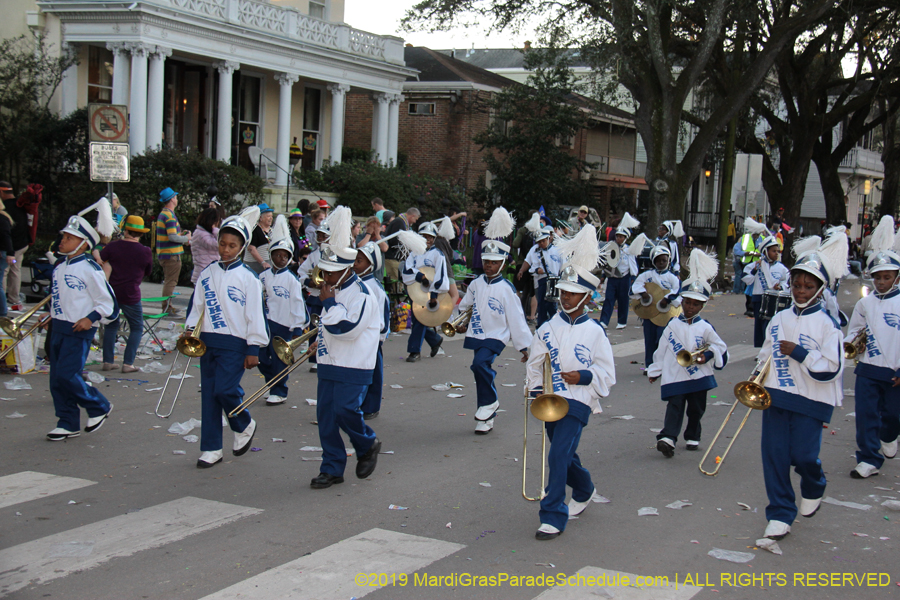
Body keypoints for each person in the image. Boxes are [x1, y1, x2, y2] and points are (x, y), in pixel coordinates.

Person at [524, 226, 615, 541]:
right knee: (563, 454)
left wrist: (584, 376)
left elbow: (607, 373)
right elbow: (535, 363)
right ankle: (585, 487)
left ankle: (552, 515)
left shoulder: (595, 332)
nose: (566, 297)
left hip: (578, 400)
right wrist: (535, 389)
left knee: (558, 455)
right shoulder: (547, 327)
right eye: (563, 291)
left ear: (587, 296)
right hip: (550, 399)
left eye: (573, 293)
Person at [757, 232, 845, 541]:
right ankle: (780, 512)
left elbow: (830, 369)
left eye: (808, 286)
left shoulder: (827, 325)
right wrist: (757, 378)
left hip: (811, 399)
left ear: (820, 289)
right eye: (797, 285)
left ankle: (814, 482)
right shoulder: (779, 317)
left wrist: (800, 353)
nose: (801, 291)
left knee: (805, 455)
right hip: (778, 395)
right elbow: (766, 352)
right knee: (775, 455)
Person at [184, 206, 268, 468]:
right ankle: (211, 448)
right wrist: (189, 331)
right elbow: (197, 305)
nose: (226, 249)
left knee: (225, 389)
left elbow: (255, 313)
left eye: (232, 245)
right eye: (222, 243)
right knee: (209, 395)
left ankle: (243, 423)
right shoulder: (208, 273)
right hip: (207, 341)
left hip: (235, 343)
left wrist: (253, 347)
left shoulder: (249, 278)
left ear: (242, 247)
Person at [310, 206, 382, 490]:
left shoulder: (362, 295)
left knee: (344, 410)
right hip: (330, 362)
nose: (325, 279)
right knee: (326, 417)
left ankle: (367, 443)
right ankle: (332, 467)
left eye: (331, 273)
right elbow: (329, 329)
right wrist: (318, 342)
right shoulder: (335, 290)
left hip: (354, 365)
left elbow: (346, 329)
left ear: (346, 269)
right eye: (324, 273)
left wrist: (328, 303)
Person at [43, 203, 119, 441]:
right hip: (58, 327)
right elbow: (59, 297)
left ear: (84, 243)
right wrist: (50, 315)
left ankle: (99, 405)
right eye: (64, 236)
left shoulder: (91, 269)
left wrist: (91, 318)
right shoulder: (58, 267)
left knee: (68, 374)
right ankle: (67, 422)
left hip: (78, 330)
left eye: (69, 237)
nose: (62, 241)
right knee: (56, 379)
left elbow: (109, 304)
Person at [456, 208, 530, 435]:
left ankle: (491, 403)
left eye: (493, 262)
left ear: (502, 264)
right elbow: (464, 305)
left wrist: (525, 346)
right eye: (486, 261)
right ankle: (486, 417)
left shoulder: (507, 289)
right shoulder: (477, 283)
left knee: (479, 365)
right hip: (477, 334)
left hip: (496, 336)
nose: (488, 265)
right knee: (480, 371)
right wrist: (458, 320)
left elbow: (517, 319)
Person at [649, 249, 728, 457]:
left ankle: (693, 434)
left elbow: (719, 346)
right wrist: (655, 370)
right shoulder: (672, 324)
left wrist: (708, 356)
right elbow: (662, 348)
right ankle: (668, 437)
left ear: (702, 305)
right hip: (676, 372)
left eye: (695, 304)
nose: (690, 307)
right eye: (687, 303)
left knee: (696, 409)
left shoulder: (706, 327)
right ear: (682, 302)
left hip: (699, 375)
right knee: (675, 405)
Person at [845, 215, 900, 479]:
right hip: (868, 368)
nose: (880, 282)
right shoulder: (865, 304)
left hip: (895, 370)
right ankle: (868, 458)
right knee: (866, 416)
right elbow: (854, 329)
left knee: (893, 416)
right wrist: (854, 341)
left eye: (886, 277)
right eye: (877, 277)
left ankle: (889, 435)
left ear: (897, 278)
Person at [258, 216, 309, 406]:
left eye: (285, 256)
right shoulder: (262, 277)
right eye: (278, 255)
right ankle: (271, 384)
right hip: (264, 324)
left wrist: (297, 329)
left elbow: (298, 305)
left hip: (283, 326)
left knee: (280, 360)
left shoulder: (291, 280)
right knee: (262, 358)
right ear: (271, 255)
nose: (281, 259)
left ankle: (280, 390)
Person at [99, 216, 153, 373]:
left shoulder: (113, 247)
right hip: (131, 294)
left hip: (112, 292)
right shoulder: (145, 251)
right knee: (136, 327)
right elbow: (148, 271)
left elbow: (101, 261)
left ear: (126, 230)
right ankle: (128, 363)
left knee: (111, 325)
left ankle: (108, 361)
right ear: (140, 233)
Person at [630, 240, 682, 375]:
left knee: (662, 339)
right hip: (649, 313)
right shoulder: (647, 275)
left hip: (665, 314)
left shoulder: (672, 278)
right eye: (658, 260)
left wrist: (667, 298)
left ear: (668, 261)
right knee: (649, 339)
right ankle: (649, 365)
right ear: (653, 261)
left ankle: (662, 365)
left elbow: (677, 291)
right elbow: (636, 285)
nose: (661, 263)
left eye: (664, 260)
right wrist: (643, 293)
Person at [401, 221, 447, 362]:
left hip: (429, 293)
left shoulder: (438, 255)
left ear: (433, 239)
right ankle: (435, 340)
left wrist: (434, 296)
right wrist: (420, 276)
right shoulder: (414, 253)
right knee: (418, 319)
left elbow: (440, 276)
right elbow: (407, 270)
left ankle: (414, 351)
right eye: (424, 237)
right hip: (416, 290)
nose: (427, 240)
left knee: (419, 320)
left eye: (429, 237)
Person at [354, 242, 390, 420]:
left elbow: (383, 316)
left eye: (359, 261)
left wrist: (379, 336)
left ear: (371, 265)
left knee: (373, 373)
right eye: (354, 259)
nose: (355, 264)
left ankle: (371, 406)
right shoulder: (352, 283)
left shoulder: (376, 288)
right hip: (355, 337)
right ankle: (357, 402)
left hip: (372, 338)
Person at [741, 236, 789, 348]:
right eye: (773, 251)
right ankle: (761, 349)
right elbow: (746, 279)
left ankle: (771, 348)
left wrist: (780, 287)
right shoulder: (756, 265)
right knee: (760, 325)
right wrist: (755, 270)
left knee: (772, 325)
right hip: (759, 298)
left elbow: (786, 281)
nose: (776, 253)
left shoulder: (781, 268)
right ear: (765, 252)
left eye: (777, 251)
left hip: (774, 299)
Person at [297, 221, 332, 373]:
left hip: (331, 296)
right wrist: (311, 282)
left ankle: (329, 356)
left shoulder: (335, 253)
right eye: (318, 235)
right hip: (317, 296)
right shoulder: (313, 255)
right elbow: (301, 273)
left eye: (323, 235)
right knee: (315, 326)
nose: (320, 237)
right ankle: (315, 358)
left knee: (330, 325)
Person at [599, 215, 640, 330]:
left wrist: (633, 278)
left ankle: (622, 321)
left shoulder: (628, 250)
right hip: (612, 277)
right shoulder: (611, 248)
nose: (619, 239)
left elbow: (632, 264)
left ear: (626, 238)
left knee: (623, 300)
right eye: (618, 236)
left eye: (622, 237)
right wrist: (603, 276)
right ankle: (604, 321)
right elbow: (608, 263)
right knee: (609, 299)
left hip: (624, 278)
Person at [155, 187, 191, 315]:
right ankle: (167, 308)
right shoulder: (169, 216)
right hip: (171, 254)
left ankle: (168, 306)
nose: (177, 199)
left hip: (165, 253)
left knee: (169, 281)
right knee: (171, 282)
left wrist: (181, 235)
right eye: (175, 197)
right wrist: (185, 238)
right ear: (171, 199)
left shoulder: (164, 214)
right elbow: (172, 237)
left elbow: (171, 234)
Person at [519, 226, 562, 327]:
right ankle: (541, 326)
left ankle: (553, 326)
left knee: (552, 306)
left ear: (548, 239)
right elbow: (527, 261)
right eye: (539, 242)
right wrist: (521, 270)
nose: (541, 244)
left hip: (554, 282)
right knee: (542, 306)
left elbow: (564, 266)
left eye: (543, 241)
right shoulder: (534, 250)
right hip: (540, 282)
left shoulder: (557, 250)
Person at [1, 182, 32, 310]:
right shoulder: (20, 205)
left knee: (3, 272)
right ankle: (14, 299)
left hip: (11, 248)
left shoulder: (5, 209)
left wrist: (10, 251)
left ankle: (2, 301)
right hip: (22, 244)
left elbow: (5, 233)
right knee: (15, 270)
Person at [738, 217, 766, 315]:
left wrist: (760, 256)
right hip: (747, 265)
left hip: (759, 265)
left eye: (757, 234)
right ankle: (749, 307)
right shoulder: (744, 238)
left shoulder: (763, 239)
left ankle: (755, 307)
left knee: (757, 287)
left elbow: (766, 252)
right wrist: (745, 253)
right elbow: (736, 250)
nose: (756, 236)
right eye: (755, 234)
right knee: (748, 287)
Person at [384, 207, 420, 282]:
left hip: (395, 257)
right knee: (395, 280)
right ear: (412, 216)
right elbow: (394, 240)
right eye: (415, 219)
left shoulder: (401, 222)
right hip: (392, 257)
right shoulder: (399, 222)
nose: (415, 222)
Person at [190, 208, 221, 284]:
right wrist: (216, 230)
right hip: (203, 273)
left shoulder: (204, 233)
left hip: (208, 272)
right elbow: (218, 244)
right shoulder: (201, 234)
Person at [244, 203, 274, 274]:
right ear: (260, 218)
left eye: (271, 216)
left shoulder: (272, 231)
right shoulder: (254, 230)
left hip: (268, 266)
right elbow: (251, 248)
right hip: (254, 266)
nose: (271, 218)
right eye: (268, 216)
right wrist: (263, 262)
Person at [0, 195, 14, 318]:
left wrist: (10, 253)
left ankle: (2, 311)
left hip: (2, 253)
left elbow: (6, 236)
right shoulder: (4, 217)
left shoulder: (2, 218)